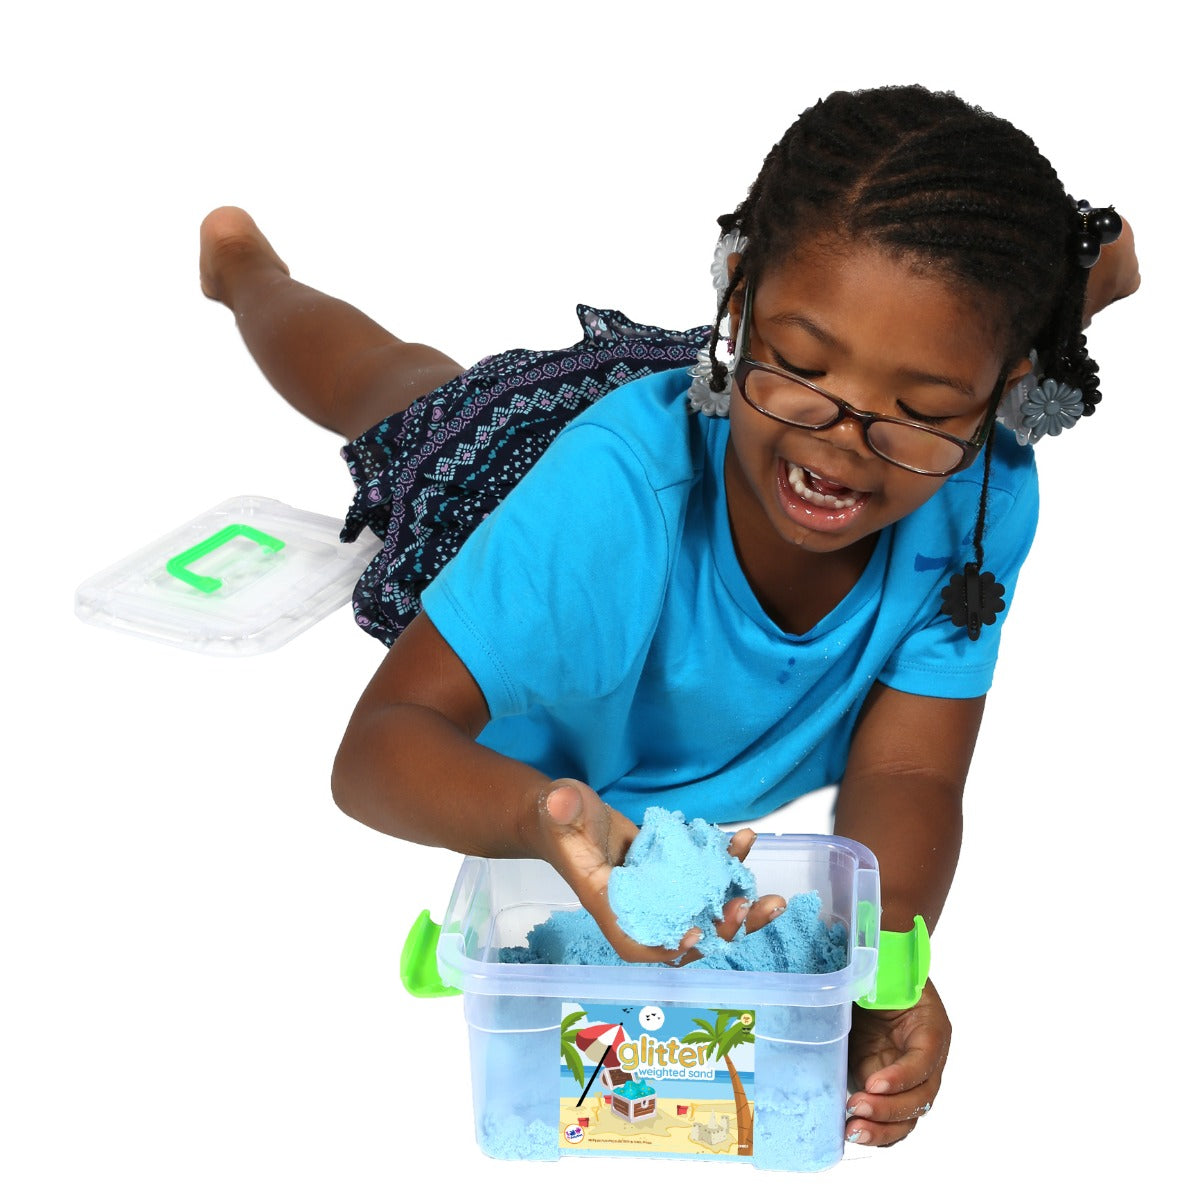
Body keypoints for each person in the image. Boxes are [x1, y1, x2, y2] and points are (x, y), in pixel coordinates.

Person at [198, 84, 1138, 1149]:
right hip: (544, 485)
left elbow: (913, 775)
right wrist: (539, 822)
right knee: (402, 388)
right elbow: (375, 753)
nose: (840, 447)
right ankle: (246, 273)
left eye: (923, 413)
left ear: (996, 403)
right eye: (804, 363)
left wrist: (880, 968)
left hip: (782, 401)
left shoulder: (981, 493)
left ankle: (1079, 275)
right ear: (736, 304)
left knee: (917, 348)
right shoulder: (606, 506)